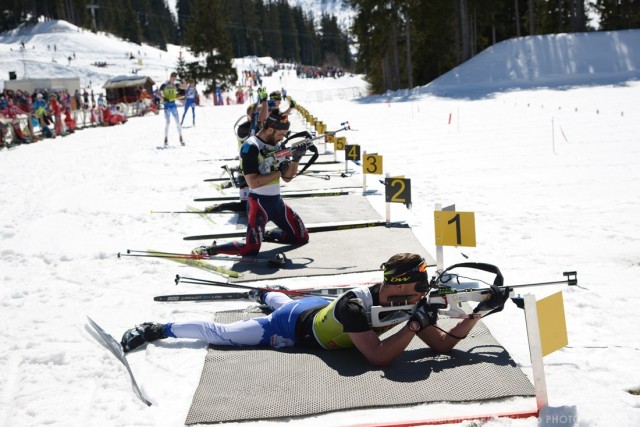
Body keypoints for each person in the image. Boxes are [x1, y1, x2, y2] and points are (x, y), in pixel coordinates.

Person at [120, 253, 511, 366]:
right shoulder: (359, 306)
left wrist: (478, 314)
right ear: (396, 283)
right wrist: (413, 326)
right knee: (226, 334)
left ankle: (266, 291)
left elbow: (441, 347)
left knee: (283, 297)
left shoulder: (408, 301)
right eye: (418, 286)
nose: (422, 294)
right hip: (290, 326)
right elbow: (377, 358)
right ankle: (160, 328)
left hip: (317, 307)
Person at [192, 109, 308, 256]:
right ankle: (212, 249)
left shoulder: (276, 144)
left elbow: (287, 178)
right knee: (250, 250)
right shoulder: (250, 147)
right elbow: (252, 182)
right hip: (259, 204)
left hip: (277, 203)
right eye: (280, 135)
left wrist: (296, 160)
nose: (282, 139)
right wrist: (279, 171)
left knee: (301, 237)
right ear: (270, 129)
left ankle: (267, 235)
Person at [160, 72, 186, 146]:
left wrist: (183, 79)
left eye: (175, 78)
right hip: (166, 107)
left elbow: (185, 87)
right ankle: (165, 139)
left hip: (173, 106)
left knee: (178, 123)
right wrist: (162, 98)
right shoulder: (164, 85)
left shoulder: (176, 85)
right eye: (173, 77)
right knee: (168, 123)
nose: (174, 79)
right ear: (170, 77)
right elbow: (158, 93)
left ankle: (181, 138)